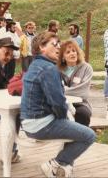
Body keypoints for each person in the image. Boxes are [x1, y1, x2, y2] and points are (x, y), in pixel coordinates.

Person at [20, 32, 96, 178]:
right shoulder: (49, 69)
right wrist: (63, 119)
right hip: (40, 125)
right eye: (54, 44)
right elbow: (58, 103)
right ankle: (56, 164)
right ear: (42, 47)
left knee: (76, 123)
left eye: (59, 44)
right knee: (88, 135)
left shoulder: (36, 64)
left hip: (29, 123)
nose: (58, 47)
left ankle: (63, 168)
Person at [58, 40, 93, 126]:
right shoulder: (57, 70)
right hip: (60, 103)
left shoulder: (86, 68)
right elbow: (53, 89)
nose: (72, 54)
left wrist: (62, 91)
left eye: (74, 51)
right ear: (63, 57)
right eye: (68, 52)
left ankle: (82, 138)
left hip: (81, 103)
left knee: (83, 114)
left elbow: (83, 92)